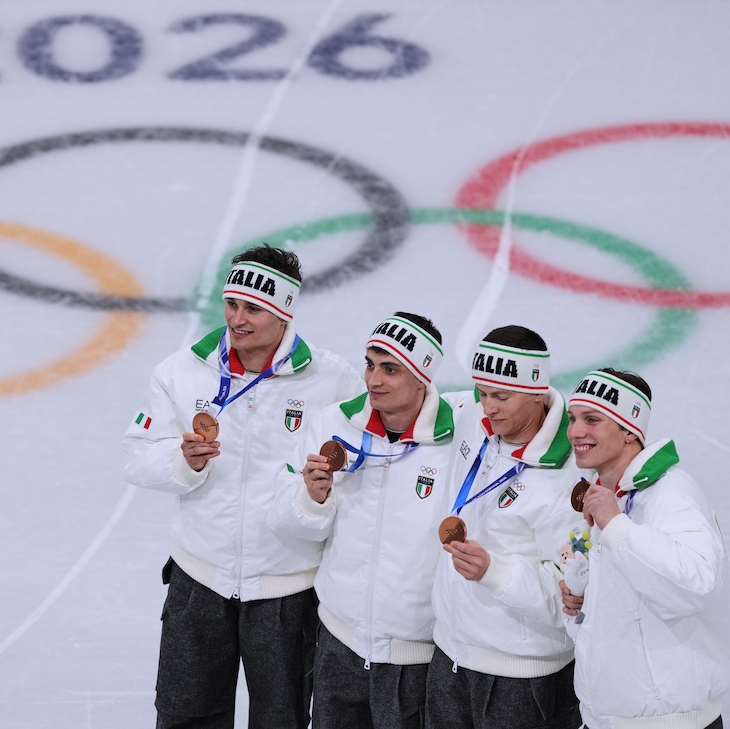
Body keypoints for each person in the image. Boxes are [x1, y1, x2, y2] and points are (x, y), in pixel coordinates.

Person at [122, 244, 362, 729]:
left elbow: (356, 480)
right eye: (231, 304)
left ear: (284, 310)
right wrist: (181, 462)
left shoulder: (335, 382)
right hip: (198, 580)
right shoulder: (180, 371)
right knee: (184, 717)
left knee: (281, 721)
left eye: (253, 308)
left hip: (288, 589)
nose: (237, 318)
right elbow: (137, 457)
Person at [267, 312, 456, 729]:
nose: (373, 379)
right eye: (370, 364)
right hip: (338, 643)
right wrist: (312, 499)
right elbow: (283, 520)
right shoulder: (333, 423)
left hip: (416, 654)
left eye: (390, 369)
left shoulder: (458, 441)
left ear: (422, 375)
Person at [426, 325, 585, 729]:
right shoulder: (474, 420)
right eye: (482, 393)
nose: (488, 407)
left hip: (521, 677)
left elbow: (570, 599)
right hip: (448, 655)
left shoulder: (571, 479)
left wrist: (492, 571)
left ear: (537, 392)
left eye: (501, 396)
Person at [561, 368, 728, 729]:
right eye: (572, 418)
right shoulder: (605, 493)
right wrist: (581, 601)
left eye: (592, 419)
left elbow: (698, 585)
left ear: (629, 430)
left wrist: (616, 525)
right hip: (604, 717)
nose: (575, 431)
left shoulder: (672, 493)